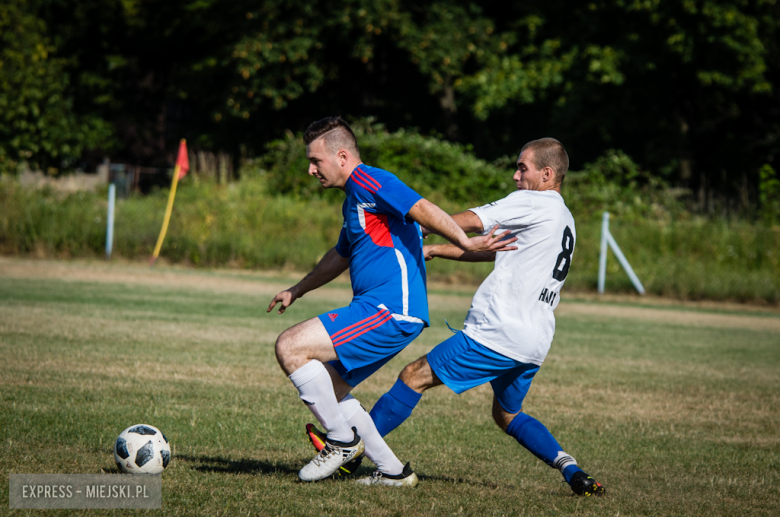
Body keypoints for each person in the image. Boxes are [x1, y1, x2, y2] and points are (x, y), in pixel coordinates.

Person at [267, 117, 515, 486]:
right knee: (332, 390)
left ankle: (340, 441)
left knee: (290, 346)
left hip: (388, 311)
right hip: (388, 313)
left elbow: (422, 207)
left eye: (315, 161)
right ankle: (394, 472)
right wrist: (297, 289)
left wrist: (464, 241)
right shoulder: (355, 200)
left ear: (342, 156)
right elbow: (340, 255)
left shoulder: (369, 179)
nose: (310, 169)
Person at [367, 138, 606, 496]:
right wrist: (436, 250)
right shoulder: (563, 217)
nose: (515, 176)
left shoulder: (532, 201)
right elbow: (490, 248)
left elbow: (474, 222)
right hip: (534, 341)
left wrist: (421, 225)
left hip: (498, 333)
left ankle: (349, 452)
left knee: (413, 376)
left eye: (522, 168)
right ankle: (573, 471)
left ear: (547, 174)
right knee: (507, 415)